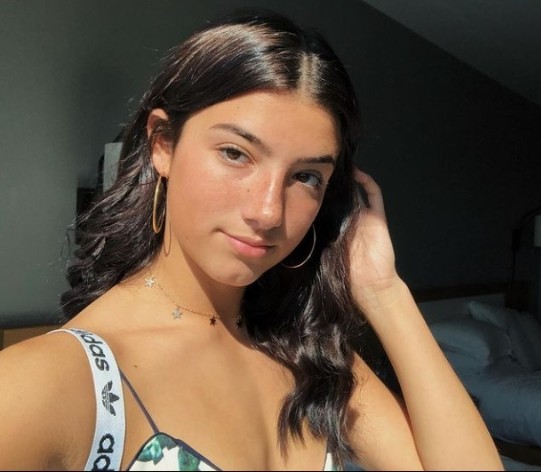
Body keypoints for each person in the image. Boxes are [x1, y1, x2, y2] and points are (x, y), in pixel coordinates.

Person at [0, 10, 503, 471]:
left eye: (305, 177)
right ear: (163, 144)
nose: (267, 212)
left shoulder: (310, 357)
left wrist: (385, 292)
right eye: (235, 154)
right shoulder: (50, 385)